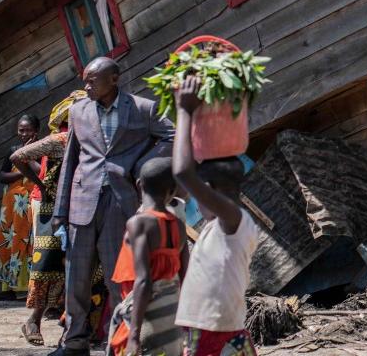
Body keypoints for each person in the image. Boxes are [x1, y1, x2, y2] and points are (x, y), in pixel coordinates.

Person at [54, 58, 175, 355]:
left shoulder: (142, 108)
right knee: (75, 280)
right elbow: (70, 161)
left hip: (120, 203)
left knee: (116, 279)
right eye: (85, 79)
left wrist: (141, 166)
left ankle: (119, 345)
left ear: (114, 78)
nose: (86, 85)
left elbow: (172, 135)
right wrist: (60, 212)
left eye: (93, 80)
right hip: (83, 203)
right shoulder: (79, 110)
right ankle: (74, 343)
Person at [172, 76, 259, 356]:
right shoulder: (218, 226)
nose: (197, 200)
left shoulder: (233, 221)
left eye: (200, 194)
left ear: (210, 191)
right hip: (216, 328)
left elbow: (182, 173)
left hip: (214, 330)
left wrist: (184, 110)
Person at [10, 91, 88, 346]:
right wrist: (41, 186)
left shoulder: (94, 137)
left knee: (79, 266)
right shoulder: (61, 139)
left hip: (81, 206)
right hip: (50, 209)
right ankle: (34, 320)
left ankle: (74, 326)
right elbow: (17, 157)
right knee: (48, 264)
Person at [107, 157, 188, 356]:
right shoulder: (178, 225)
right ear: (172, 190)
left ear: (139, 184)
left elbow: (143, 281)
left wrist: (134, 335)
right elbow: (185, 273)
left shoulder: (140, 223)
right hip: (169, 314)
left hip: (144, 316)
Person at [0, 114, 41, 300]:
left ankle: (27, 288)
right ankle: (9, 287)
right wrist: (21, 169)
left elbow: (41, 172)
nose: (24, 133)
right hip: (11, 207)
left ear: (36, 131)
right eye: (21, 129)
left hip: (31, 205)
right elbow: (2, 177)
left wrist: (28, 153)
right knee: (10, 243)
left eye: (28, 129)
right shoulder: (13, 150)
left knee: (29, 243)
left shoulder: (42, 150)